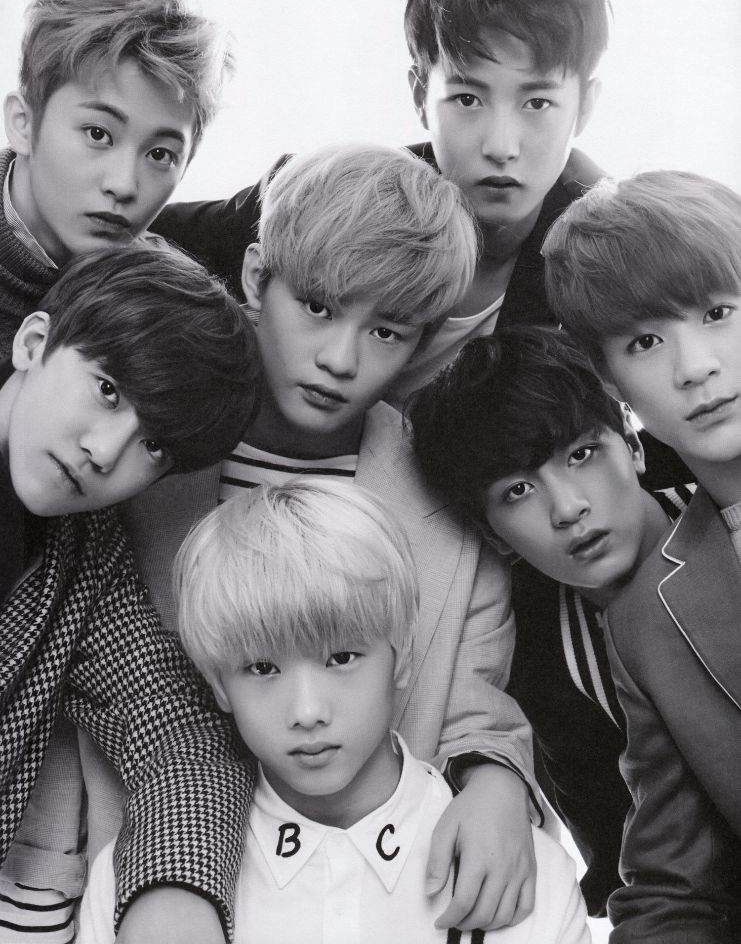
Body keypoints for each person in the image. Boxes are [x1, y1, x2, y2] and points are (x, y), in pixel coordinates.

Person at [123, 143, 541, 934]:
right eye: (317, 307)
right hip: (139, 877)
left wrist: (496, 778)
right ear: (256, 278)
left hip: (364, 897)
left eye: (386, 331)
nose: (340, 359)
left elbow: (471, 702)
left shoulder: (444, 496)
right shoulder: (143, 447)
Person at [80, 480, 590, 943]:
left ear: (402, 656)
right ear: (218, 684)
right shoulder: (144, 881)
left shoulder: (523, 869)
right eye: (262, 668)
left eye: (341, 658)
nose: (307, 711)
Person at [149, 0, 609, 405]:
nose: (501, 147)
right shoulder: (325, 201)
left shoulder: (609, 258)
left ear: (586, 106)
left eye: (538, 103)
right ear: (420, 96)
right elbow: (139, 238)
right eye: (468, 99)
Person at [0, 242, 260, 943]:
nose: (105, 451)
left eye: (152, 446)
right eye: (108, 390)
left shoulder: (84, 559)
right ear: (34, 343)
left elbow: (180, 736)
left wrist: (174, 895)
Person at [408, 324, 695, 917]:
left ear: (633, 445)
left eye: (582, 455)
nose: (568, 508)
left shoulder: (722, 509)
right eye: (518, 490)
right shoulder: (544, 664)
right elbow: (625, 864)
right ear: (491, 533)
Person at [542, 170, 741, 943]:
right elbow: (672, 893)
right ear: (608, 379)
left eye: (717, 313)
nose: (693, 367)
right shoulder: (648, 619)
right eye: (645, 342)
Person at [0, 0, 233, 356]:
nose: (123, 185)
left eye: (160, 154)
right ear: (23, 124)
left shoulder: (165, 303)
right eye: (98, 134)